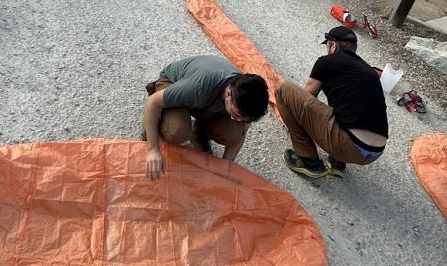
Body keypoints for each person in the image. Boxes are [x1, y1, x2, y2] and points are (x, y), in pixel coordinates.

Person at [276, 26, 388, 180]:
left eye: (327, 46)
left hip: (347, 144)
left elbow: (305, 99)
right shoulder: (369, 71)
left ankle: (308, 160)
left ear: (333, 45)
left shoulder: (327, 61)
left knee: (284, 90)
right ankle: (337, 161)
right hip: (375, 152)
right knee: (345, 107)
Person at [143, 56, 269, 180]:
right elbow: (152, 103)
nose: (241, 120)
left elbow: (240, 135)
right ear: (228, 94)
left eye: (245, 119)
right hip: (172, 83)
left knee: (234, 134)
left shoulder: (247, 101)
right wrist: (153, 149)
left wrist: (225, 167)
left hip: (200, 100)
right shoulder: (198, 86)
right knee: (178, 130)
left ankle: (199, 132)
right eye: (238, 115)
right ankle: (156, 124)